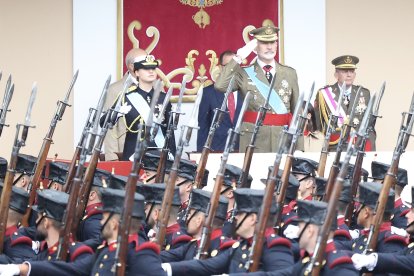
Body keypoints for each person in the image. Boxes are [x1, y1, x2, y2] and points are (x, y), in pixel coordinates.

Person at [162, 189, 294, 275]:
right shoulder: (241, 246)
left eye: (241, 214)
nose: (235, 217)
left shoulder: (276, 247)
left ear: (253, 219)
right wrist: (167, 268)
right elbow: (207, 266)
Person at [214, 25, 301, 153]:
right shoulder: (244, 73)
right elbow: (220, 85)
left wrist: (299, 147)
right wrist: (238, 57)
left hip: (282, 140)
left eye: (272, 42)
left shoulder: (290, 73)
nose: (270, 47)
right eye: (264, 42)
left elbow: (297, 113)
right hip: (253, 141)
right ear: (255, 46)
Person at [108, 50, 176, 161]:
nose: (151, 71)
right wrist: (116, 113)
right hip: (133, 156)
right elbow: (104, 123)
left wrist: (173, 159)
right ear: (137, 72)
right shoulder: (126, 97)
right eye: (146, 68)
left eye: (153, 68)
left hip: (159, 155)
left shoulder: (164, 98)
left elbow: (170, 132)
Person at [314, 55, 375, 151]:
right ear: (336, 74)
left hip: (358, 147)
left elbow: (370, 125)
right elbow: (318, 125)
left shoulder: (364, 94)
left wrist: (370, 146)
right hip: (333, 148)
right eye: (344, 71)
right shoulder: (324, 94)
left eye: (352, 71)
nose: (349, 75)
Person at [352, 186, 414, 274]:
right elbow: (395, 258)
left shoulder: (391, 242)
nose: (407, 215)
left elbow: (402, 264)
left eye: (412, 211)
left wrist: (373, 260)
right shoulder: (410, 247)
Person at [103, 48, 146, 161]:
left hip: (151, 153)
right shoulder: (116, 89)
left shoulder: (156, 87)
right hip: (125, 152)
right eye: (144, 63)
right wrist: (112, 159)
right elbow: (109, 127)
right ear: (132, 66)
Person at [197, 50, 243, 152]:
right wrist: (200, 153)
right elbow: (203, 126)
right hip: (216, 150)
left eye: (235, 65)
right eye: (228, 65)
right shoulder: (208, 92)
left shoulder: (247, 91)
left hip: (242, 149)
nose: (232, 69)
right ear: (221, 68)